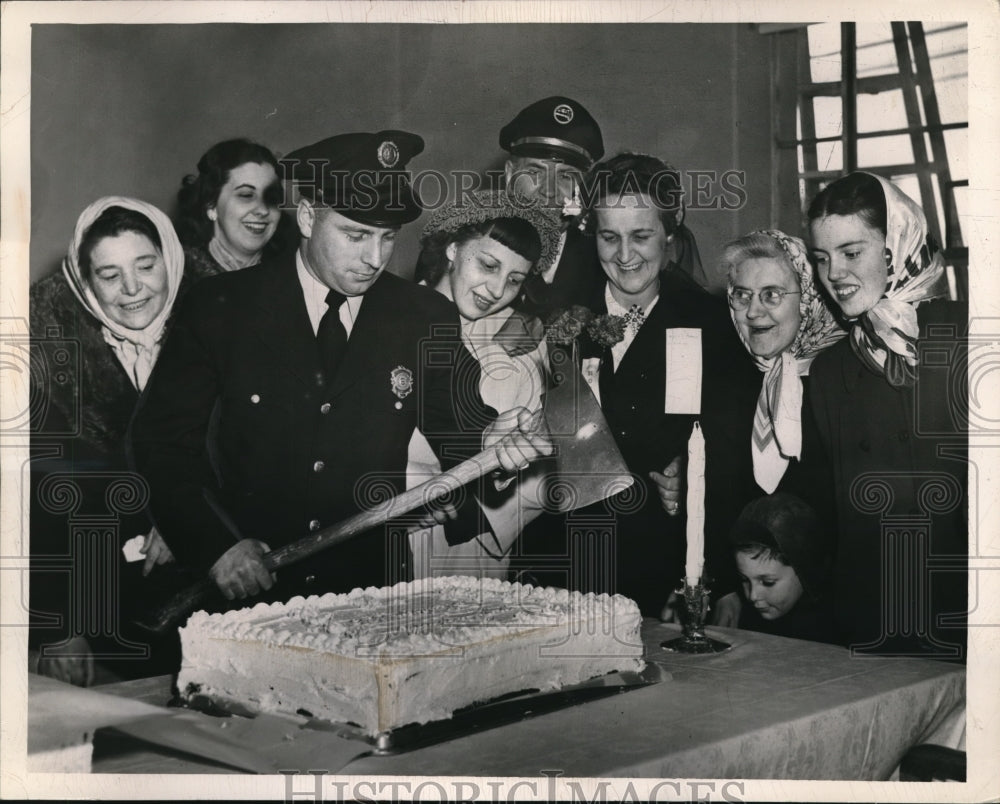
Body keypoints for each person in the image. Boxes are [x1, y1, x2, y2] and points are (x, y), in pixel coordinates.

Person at [130, 131, 552, 607]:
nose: (373, 259)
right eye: (355, 235)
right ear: (308, 217)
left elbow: (460, 423)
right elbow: (161, 443)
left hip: (369, 591)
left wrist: (490, 442)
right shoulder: (220, 307)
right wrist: (216, 547)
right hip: (251, 587)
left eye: (387, 237)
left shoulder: (422, 315)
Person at [521, 151, 747, 617]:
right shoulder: (557, 316)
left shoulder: (712, 323)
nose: (625, 257)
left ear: (671, 226)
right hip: (562, 568)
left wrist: (696, 475)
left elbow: (735, 446)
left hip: (662, 574)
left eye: (642, 236)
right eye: (609, 237)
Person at [807, 171, 967, 658]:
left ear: (896, 246)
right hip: (874, 624)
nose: (834, 273)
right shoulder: (830, 370)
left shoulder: (970, 338)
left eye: (852, 253)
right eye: (822, 258)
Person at [29, 197, 186, 684]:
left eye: (145, 265)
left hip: (212, 597)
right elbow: (33, 505)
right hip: (102, 615)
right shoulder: (49, 367)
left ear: (171, 262)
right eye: (109, 275)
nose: (133, 288)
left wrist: (190, 513)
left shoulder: (218, 340)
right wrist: (58, 628)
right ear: (84, 284)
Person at [407, 190, 563, 579]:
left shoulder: (525, 338)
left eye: (514, 280)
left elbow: (548, 454)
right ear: (454, 249)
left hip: (474, 543)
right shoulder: (391, 317)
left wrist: (471, 511)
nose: (496, 290)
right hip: (395, 526)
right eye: (488, 265)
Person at [498, 96, 606, 320]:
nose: (549, 191)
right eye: (535, 172)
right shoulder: (463, 251)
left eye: (566, 176)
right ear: (509, 175)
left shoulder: (605, 261)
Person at [722, 493, 839, 645]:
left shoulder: (833, 631)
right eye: (745, 580)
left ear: (804, 571)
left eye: (768, 582)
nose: (752, 596)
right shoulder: (744, 622)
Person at [174, 138, 293, 278]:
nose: (263, 210)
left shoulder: (291, 274)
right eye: (246, 195)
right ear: (211, 206)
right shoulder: (176, 275)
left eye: (271, 198)